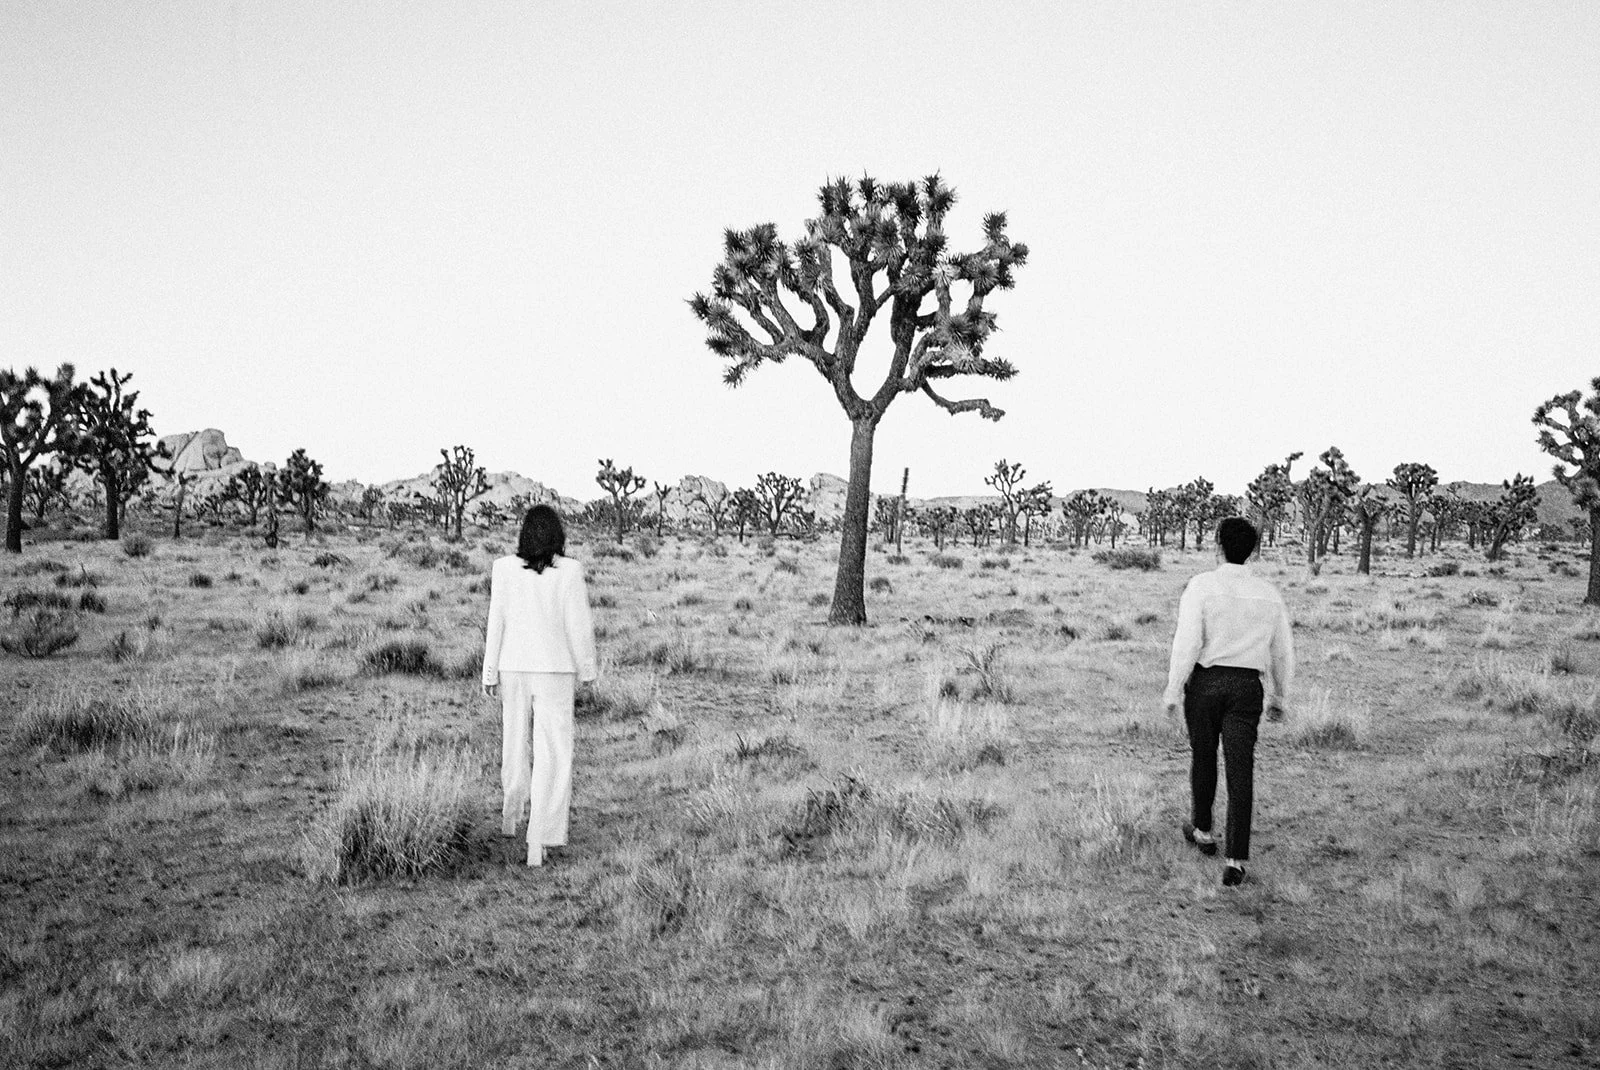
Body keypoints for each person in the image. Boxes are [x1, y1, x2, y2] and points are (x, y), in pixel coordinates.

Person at [1163, 516, 1294, 887]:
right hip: (1246, 686)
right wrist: (1280, 694)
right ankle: (1235, 859)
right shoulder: (1268, 593)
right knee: (1240, 768)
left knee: (1203, 756)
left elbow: (1188, 642)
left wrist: (1173, 688)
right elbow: (1282, 650)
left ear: (1217, 544)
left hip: (1205, 683)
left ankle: (1203, 829)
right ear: (1253, 550)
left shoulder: (1201, 586)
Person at [482, 505, 599, 867]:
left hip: (513, 666)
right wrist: (587, 669)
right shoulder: (570, 571)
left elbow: (496, 620)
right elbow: (578, 624)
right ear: (558, 535)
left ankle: (511, 814)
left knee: (514, 741)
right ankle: (540, 838)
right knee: (554, 752)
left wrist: (489, 671)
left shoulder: (503, 568)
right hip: (554, 669)